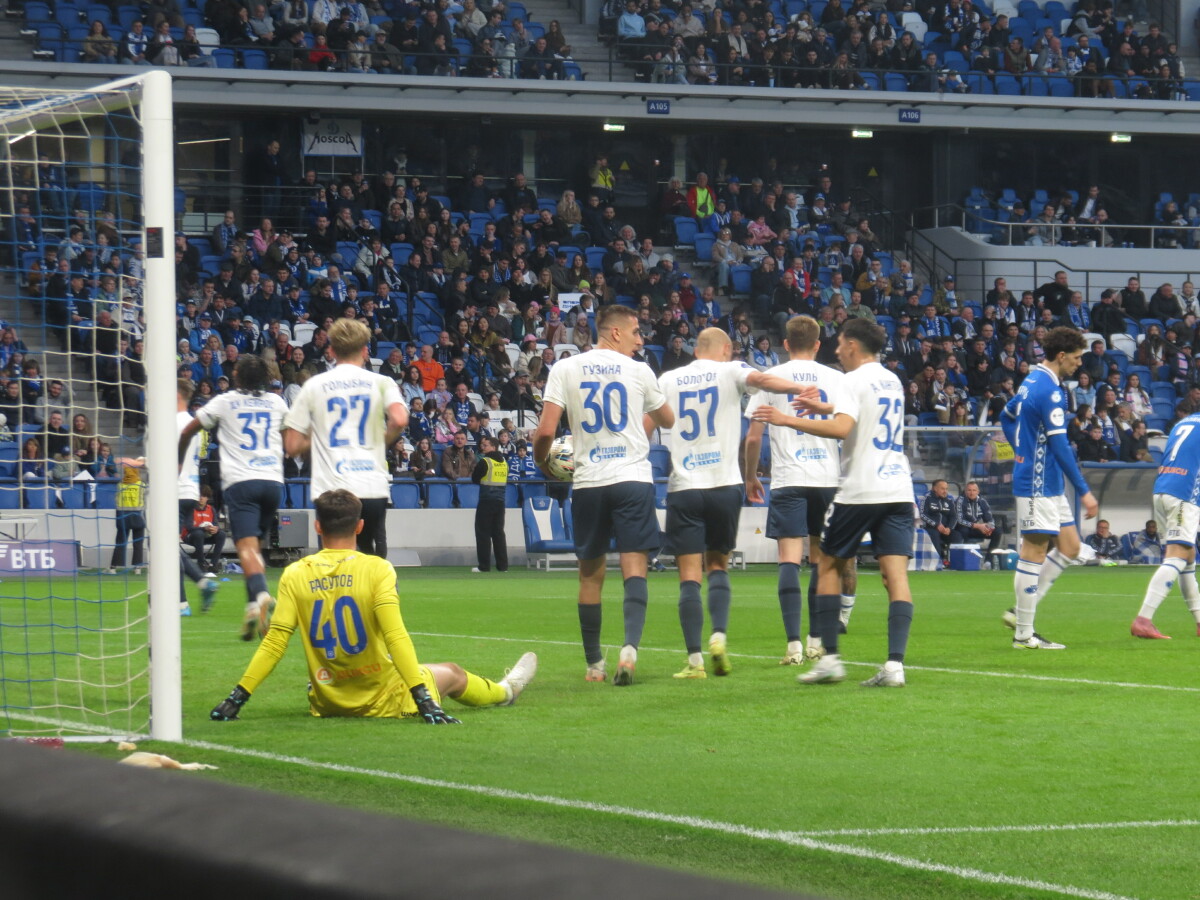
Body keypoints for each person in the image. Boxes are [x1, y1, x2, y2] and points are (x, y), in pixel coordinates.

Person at [210, 490, 537, 723]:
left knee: (399, 664)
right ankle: (506, 692)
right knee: (451, 672)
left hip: (328, 700)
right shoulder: (378, 568)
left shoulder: (295, 573)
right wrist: (423, 699)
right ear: (360, 527)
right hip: (383, 697)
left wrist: (236, 698)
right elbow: (396, 635)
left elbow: (275, 642)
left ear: (318, 527)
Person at [753, 317, 915, 687]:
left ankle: (829, 660)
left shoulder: (850, 380)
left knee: (827, 565)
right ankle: (895, 666)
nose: (837, 350)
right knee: (895, 577)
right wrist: (823, 407)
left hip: (861, 489)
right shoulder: (891, 380)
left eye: (841, 344)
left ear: (854, 345)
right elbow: (862, 415)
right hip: (898, 488)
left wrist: (786, 419)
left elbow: (843, 428)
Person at [533, 304, 675, 686]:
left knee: (589, 576)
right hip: (632, 480)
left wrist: (542, 462)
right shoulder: (639, 370)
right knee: (635, 568)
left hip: (589, 483)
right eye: (636, 333)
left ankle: (594, 664)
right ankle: (629, 651)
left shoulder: (564, 368)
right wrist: (643, 418)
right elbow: (667, 419)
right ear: (615, 332)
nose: (640, 340)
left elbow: (545, 431)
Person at [657, 327, 798, 679]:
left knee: (689, 575)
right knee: (718, 565)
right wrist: (796, 388)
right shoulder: (731, 369)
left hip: (685, 486)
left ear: (696, 349)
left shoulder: (669, 379)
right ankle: (718, 636)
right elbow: (762, 379)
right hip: (724, 485)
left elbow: (649, 421)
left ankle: (694, 661)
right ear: (725, 349)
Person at [743, 315, 856, 665]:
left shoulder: (770, 378)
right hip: (827, 480)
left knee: (789, 561)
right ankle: (815, 640)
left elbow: (753, 438)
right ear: (818, 344)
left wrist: (751, 476)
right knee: (822, 561)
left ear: (786, 344)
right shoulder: (837, 379)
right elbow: (848, 428)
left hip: (789, 479)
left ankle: (792, 645)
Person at [1000, 327, 1099, 650]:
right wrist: (1083, 490)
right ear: (1061, 356)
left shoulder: (1031, 381)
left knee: (1070, 547)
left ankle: (1020, 613)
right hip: (1037, 482)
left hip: (1049, 482)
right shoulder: (1050, 391)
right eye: (1076, 358)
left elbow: (1006, 414)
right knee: (1034, 552)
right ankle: (1023, 634)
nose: (1079, 364)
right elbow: (1060, 445)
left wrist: (1021, 447)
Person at [180, 354, 290, 640]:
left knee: (246, 548)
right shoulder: (277, 402)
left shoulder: (225, 401)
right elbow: (290, 438)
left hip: (242, 483)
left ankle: (262, 596)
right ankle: (253, 608)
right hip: (273, 483)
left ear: (237, 374)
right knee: (255, 547)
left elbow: (190, 429)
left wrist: (179, 456)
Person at [283, 319, 407, 558]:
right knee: (369, 557)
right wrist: (381, 440)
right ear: (365, 351)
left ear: (331, 351)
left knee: (332, 559)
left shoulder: (314, 385)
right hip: (371, 486)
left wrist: (317, 437)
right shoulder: (382, 382)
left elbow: (292, 445)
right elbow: (399, 419)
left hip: (332, 488)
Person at [1132, 413, 1200, 639]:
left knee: (1187, 556)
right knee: (1177, 556)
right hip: (1184, 494)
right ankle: (1143, 619)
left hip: (1162, 490)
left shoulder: (1183, 422)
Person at [176, 380, 218, 616]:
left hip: (175, 489)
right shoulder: (195, 424)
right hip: (191, 490)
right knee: (166, 547)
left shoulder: (173, 422)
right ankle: (199, 585)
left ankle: (184, 600)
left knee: (163, 548)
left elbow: (168, 457)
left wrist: (138, 462)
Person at [471, 435, 508, 573]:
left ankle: (484, 566)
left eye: (486, 445)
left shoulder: (485, 461)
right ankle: (503, 566)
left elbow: (475, 478)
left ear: (493, 447)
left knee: (483, 533)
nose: (483, 447)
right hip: (500, 501)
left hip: (486, 500)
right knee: (499, 533)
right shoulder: (504, 462)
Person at [107, 458, 146, 574]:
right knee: (138, 543)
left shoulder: (120, 485)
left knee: (120, 542)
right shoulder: (141, 485)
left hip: (123, 518)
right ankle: (137, 567)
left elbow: (116, 500)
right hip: (138, 517)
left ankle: (113, 567)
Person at [181, 485, 227, 577]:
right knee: (199, 533)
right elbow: (189, 527)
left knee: (221, 534)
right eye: (199, 495)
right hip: (190, 536)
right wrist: (203, 528)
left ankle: (213, 564)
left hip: (206, 536)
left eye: (204, 496)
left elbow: (216, 524)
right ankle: (201, 563)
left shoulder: (211, 509)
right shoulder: (191, 509)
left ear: (207, 498)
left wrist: (215, 529)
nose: (201, 498)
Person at [951, 481, 1004, 557]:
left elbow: (989, 518)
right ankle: (965, 557)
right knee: (963, 531)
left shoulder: (982, 501)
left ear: (978, 492)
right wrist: (978, 526)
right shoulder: (959, 501)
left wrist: (989, 528)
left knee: (997, 532)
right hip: (963, 527)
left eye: (974, 490)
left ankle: (989, 560)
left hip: (977, 528)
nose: (972, 493)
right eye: (969, 490)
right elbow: (960, 520)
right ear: (965, 491)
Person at [920, 480, 957, 567]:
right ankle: (938, 562)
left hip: (946, 529)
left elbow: (954, 517)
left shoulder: (949, 500)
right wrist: (936, 525)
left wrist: (949, 528)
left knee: (957, 536)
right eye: (942, 489)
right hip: (930, 528)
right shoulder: (927, 499)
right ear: (935, 489)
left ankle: (955, 562)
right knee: (934, 535)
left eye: (946, 489)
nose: (945, 491)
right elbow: (922, 514)